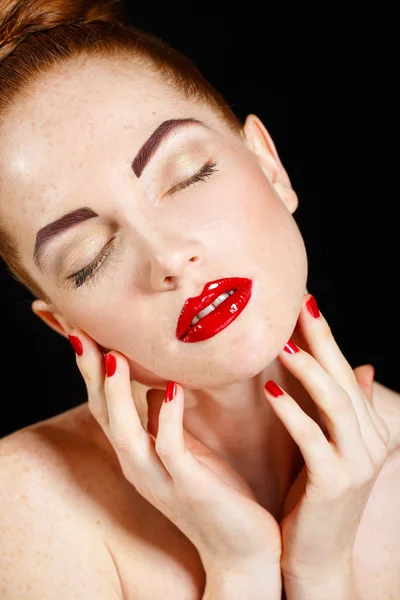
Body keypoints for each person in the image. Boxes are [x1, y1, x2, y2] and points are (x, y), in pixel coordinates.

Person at [0, 2, 399, 599]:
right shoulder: (22, 506)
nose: (165, 257)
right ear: (65, 327)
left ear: (269, 166)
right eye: (88, 257)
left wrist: (322, 570)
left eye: (187, 175)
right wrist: (239, 570)